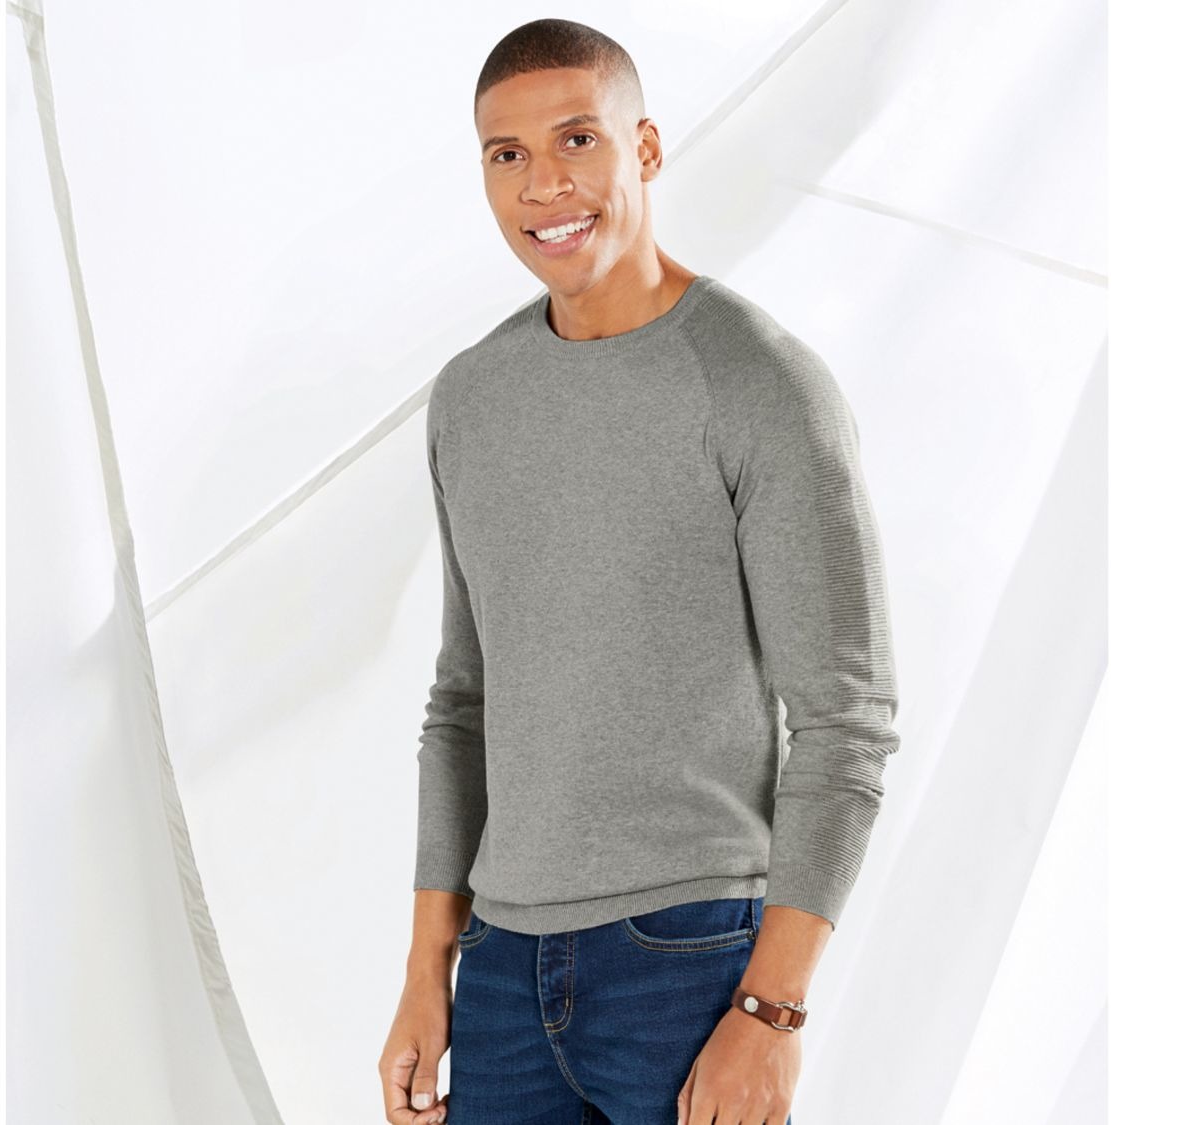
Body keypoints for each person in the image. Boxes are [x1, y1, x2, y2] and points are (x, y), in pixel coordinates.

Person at [379, 18, 901, 1125]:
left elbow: (846, 721)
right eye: (508, 154)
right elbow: (462, 703)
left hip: (691, 964)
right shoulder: (472, 397)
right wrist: (429, 971)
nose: (544, 185)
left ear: (646, 149)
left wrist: (771, 1012)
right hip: (500, 971)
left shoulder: (760, 384)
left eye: (578, 140)